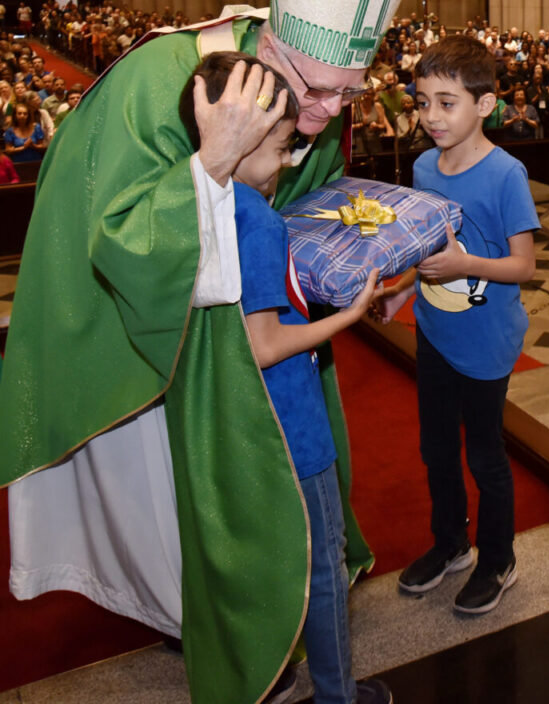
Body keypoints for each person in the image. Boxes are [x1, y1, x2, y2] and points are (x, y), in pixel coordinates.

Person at [0, 0, 416, 704]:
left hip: (264, 343)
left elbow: (307, 211)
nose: (326, 116)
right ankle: (216, 634)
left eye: (348, 95)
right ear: (273, 47)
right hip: (149, 344)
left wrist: (364, 267)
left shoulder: (315, 94)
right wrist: (211, 163)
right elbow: (120, 242)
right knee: (180, 518)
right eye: (315, 93)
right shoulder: (161, 82)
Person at [179, 51, 390, 704]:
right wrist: (350, 314)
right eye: (278, 148)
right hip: (289, 420)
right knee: (324, 562)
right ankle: (337, 696)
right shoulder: (257, 219)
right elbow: (265, 343)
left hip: (235, 416)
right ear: (239, 139)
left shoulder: (194, 201)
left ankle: (269, 673)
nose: (285, 163)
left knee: (263, 557)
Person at [375, 37, 538, 613]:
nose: (431, 116)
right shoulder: (424, 165)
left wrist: (466, 266)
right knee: (437, 448)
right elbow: (427, 248)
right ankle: (451, 544)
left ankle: (498, 559)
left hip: (486, 340)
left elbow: (523, 265)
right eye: (423, 103)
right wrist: (401, 290)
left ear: (485, 105)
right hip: (435, 331)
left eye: (447, 103)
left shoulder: (506, 174)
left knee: (485, 457)